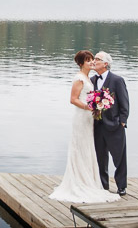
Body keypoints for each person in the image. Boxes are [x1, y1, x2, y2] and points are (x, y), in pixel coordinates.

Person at [48, 50, 122, 204]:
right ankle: (78, 180)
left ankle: (88, 180)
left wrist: (98, 105)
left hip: (90, 120)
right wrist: (89, 107)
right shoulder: (79, 78)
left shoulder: (90, 78)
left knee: (88, 148)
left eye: (92, 60)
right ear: (81, 63)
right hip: (82, 118)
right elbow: (73, 99)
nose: (92, 62)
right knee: (80, 147)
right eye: (88, 60)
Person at [91, 51, 129, 196]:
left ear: (106, 64)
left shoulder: (117, 80)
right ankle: (103, 184)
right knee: (100, 157)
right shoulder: (92, 80)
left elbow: (124, 103)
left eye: (97, 59)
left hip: (115, 126)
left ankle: (121, 186)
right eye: (94, 58)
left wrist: (123, 122)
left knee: (119, 157)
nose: (94, 61)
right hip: (97, 126)